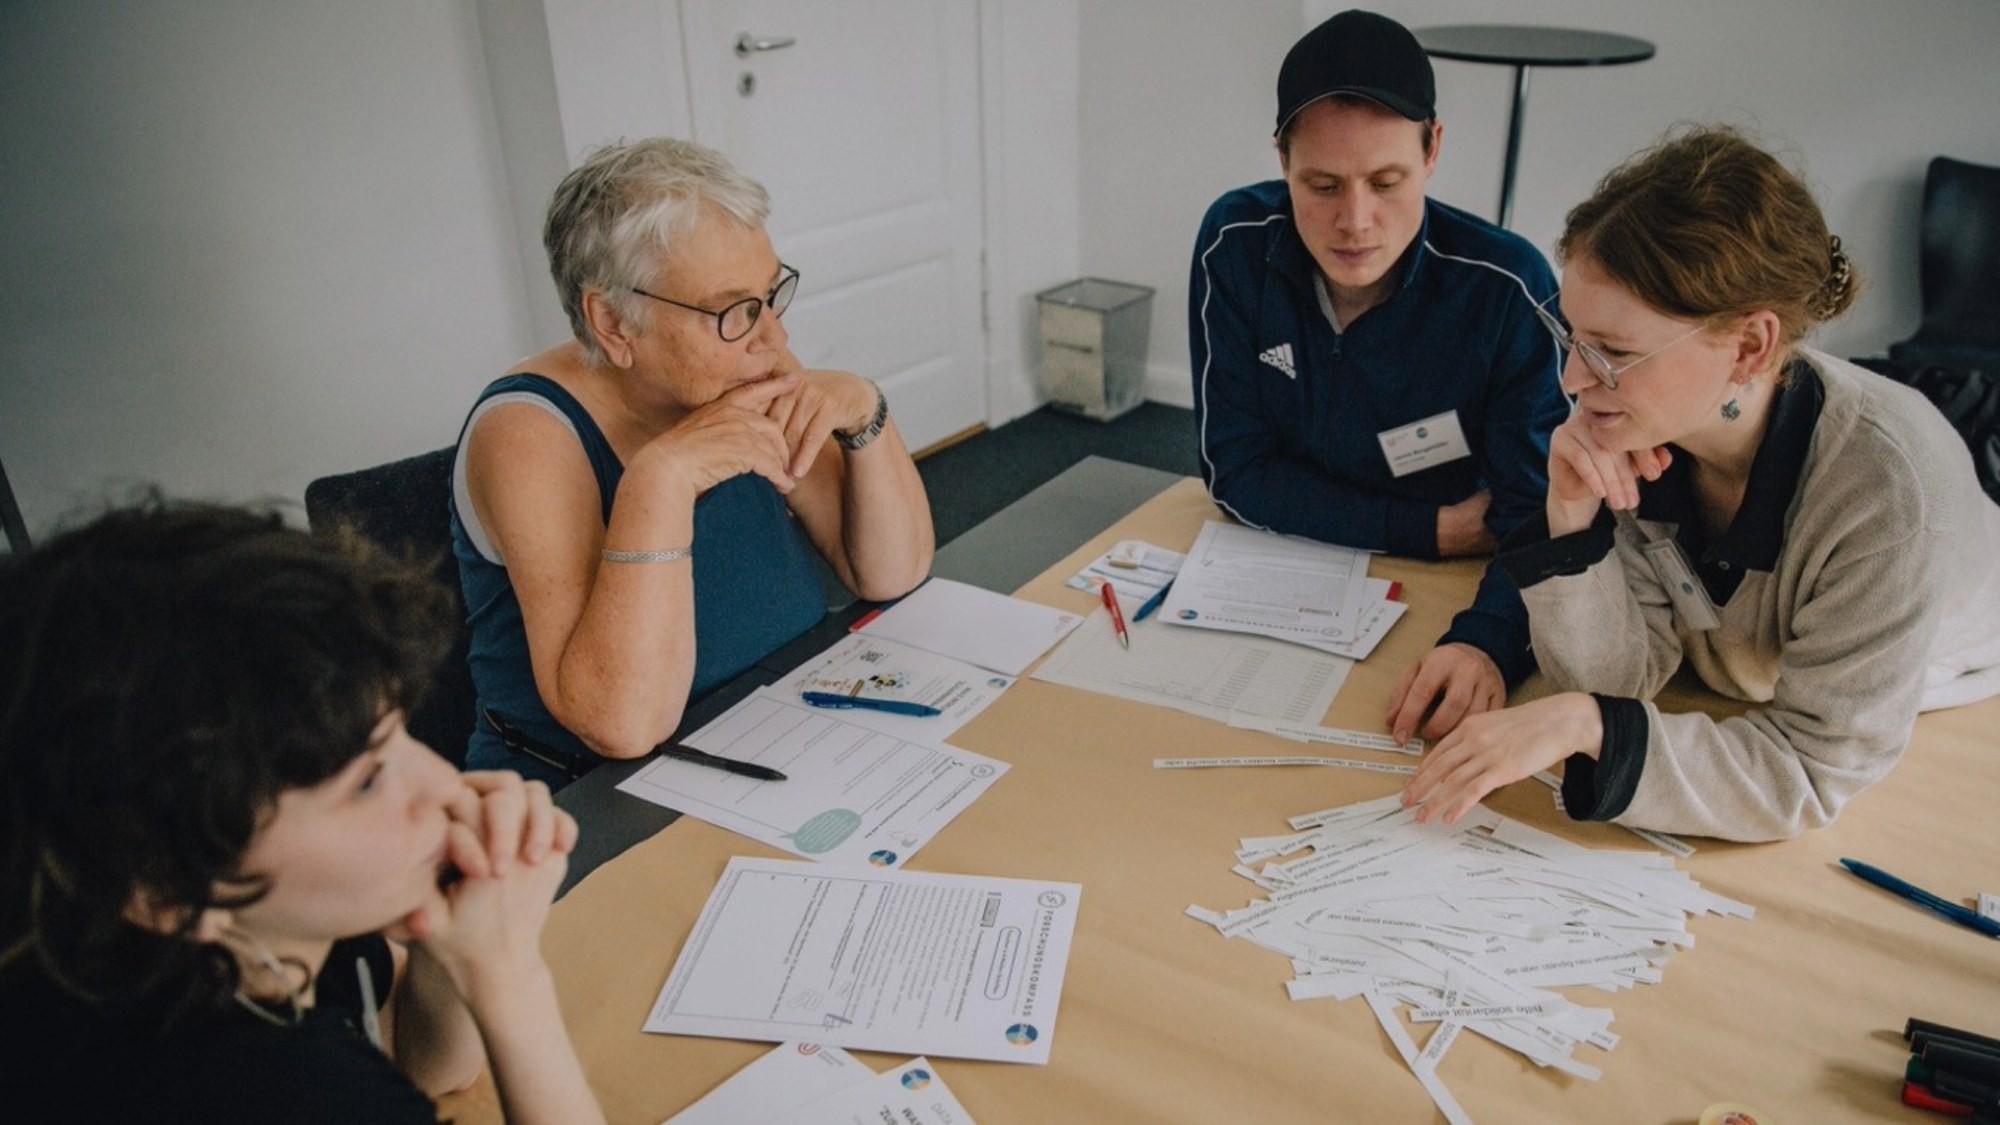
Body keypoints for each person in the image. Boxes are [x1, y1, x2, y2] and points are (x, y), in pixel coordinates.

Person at [1402, 126, 2000, 841]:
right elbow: (1621, 678)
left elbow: (1809, 770)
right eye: (1572, 339)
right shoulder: (1649, 429)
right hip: (1750, 688)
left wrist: (1590, 722)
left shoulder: (1893, 494)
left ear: (1750, 347)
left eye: (1613, 352)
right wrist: (1570, 521)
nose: (1571, 381)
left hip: (1944, 684)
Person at [0, 499, 605, 1124]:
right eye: (367, 781)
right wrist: (510, 979)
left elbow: (424, 1065)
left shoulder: (261, 935)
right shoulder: (266, 1086)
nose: (447, 786)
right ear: (169, 894)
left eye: (399, 733)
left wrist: (451, 933)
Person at [453, 137, 934, 786]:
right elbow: (624, 724)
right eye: (734, 309)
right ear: (614, 323)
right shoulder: (527, 435)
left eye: (771, 295)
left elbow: (889, 571)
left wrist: (866, 411)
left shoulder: (742, 357)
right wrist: (662, 479)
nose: (776, 337)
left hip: (771, 729)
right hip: (586, 800)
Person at [1190, 9, 1567, 746]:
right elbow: (1234, 471)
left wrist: (1486, 641)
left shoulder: (1507, 287)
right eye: (1321, 185)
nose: (1355, 221)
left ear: (1433, 149)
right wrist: (1430, 527)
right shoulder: (1233, 247)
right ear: (1281, 159)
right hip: (1285, 572)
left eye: (1386, 181)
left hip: (1452, 593)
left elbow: (1531, 521)